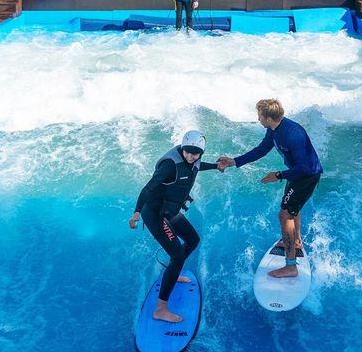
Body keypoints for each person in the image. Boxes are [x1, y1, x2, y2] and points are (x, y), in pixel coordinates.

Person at [217, 99, 323, 279]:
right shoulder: (273, 130)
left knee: (284, 215)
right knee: (291, 208)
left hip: (305, 176)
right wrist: (234, 161)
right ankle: (296, 241)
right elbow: (261, 150)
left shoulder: (292, 134)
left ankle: (291, 267)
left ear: (267, 118)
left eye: (259, 116)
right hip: (295, 174)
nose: (258, 119)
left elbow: (305, 167)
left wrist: (279, 175)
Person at [129, 131, 222, 323]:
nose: (190, 156)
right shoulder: (169, 165)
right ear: (182, 147)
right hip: (155, 213)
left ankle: (173, 271)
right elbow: (148, 188)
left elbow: (196, 166)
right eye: (187, 152)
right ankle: (160, 309)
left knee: (192, 240)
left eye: (195, 153)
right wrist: (136, 212)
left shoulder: (195, 159)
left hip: (169, 212)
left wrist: (215, 166)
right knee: (178, 254)